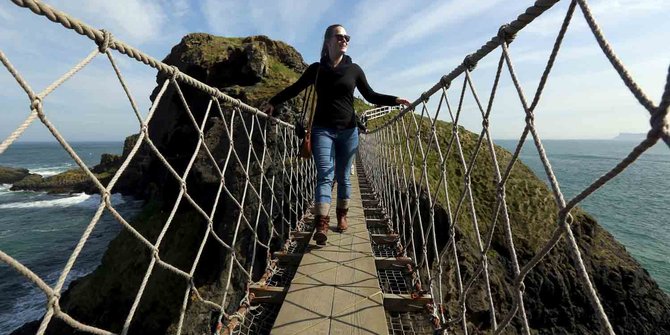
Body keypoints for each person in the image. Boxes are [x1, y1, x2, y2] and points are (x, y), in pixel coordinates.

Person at [262, 24, 410, 245]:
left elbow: (370, 95)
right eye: (339, 36)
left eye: (347, 37)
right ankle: (321, 222)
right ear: (328, 41)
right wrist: (273, 102)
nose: (344, 40)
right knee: (325, 174)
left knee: (343, 176)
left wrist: (394, 100)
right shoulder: (316, 70)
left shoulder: (355, 70)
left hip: (349, 131)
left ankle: (342, 215)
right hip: (322, 130)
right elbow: (295, 88)